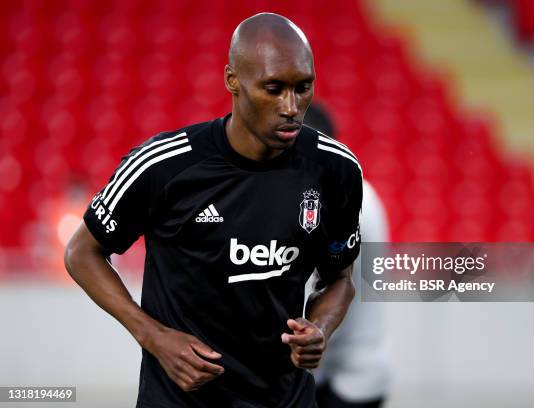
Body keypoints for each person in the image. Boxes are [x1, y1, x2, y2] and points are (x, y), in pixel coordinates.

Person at [63, 13, 363, 408]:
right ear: (232, 80)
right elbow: (81, 252)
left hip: (286, 400)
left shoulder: (335, 169)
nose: (291, 106)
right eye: (273, 88)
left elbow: (339, 278)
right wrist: (153, 336)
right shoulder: (164, 166)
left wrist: (319, 327)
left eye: (302, 88)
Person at [304, 104, 390, 408]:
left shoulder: (344, 198)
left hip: (346, 379)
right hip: (358, 370)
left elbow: (337, 292)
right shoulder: (364, 191)